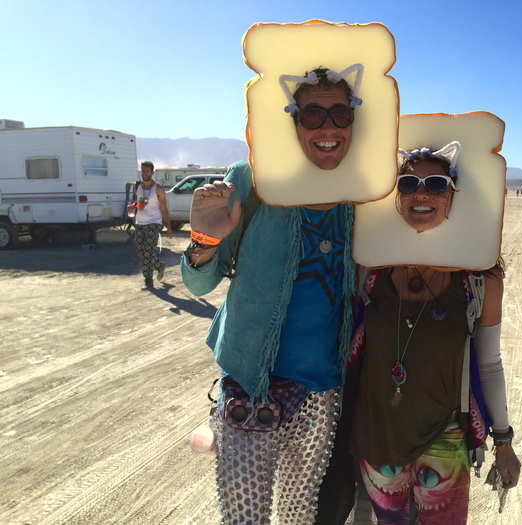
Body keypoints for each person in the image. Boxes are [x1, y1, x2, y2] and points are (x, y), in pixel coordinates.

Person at [182, 67, 360, 524]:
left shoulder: (363, 193)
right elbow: (200, 284)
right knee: (244, 517)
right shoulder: (251, 180)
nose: (327, 126)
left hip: (322, 388)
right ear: (293, 121)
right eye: (312, 113)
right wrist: (204, 238)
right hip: (250, 381)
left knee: (299, 513)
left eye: (340, 113)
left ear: (354, 123)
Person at [350, 144, 520, 524]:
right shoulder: (368, 271)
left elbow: (489, 364)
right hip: (378, 435)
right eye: (408, 184)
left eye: (436, 185)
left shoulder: (478, 280)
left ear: (453, 196)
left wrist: (504, 440)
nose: (421, 194)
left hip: (445, 438)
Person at [130, 161, 171, 289]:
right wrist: (134, 207)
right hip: (140, 222)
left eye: (147, 171)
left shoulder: (158, 189)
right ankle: (159, 265)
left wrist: (169, 227)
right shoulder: (137, 187)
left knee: (148, 249)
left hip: (154, 222)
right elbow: (136, 204)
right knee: (140, 248)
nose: (144, 174)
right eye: (142, 171)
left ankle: (148, 279)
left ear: (152, 173)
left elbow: (164, 208)